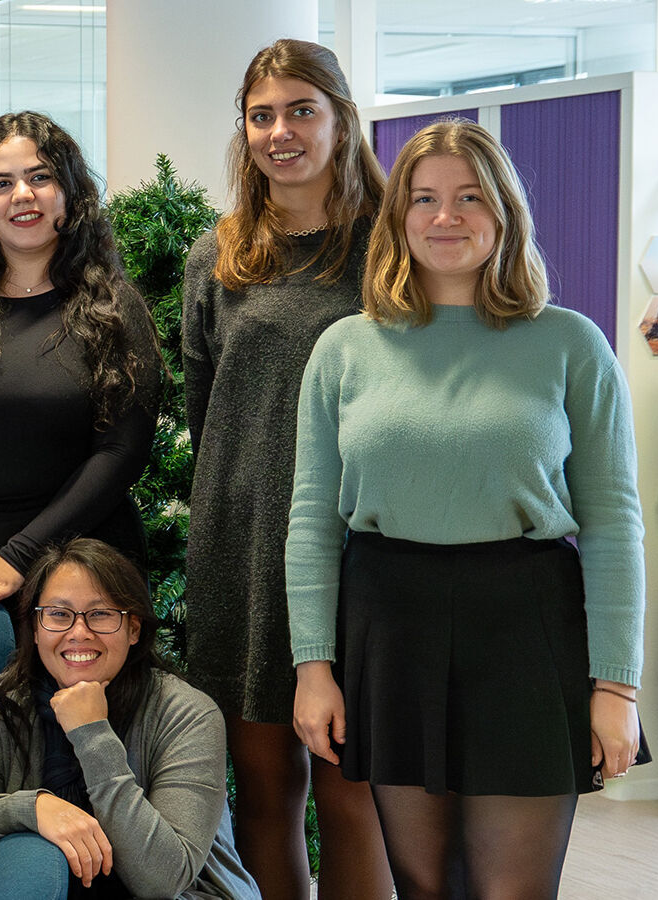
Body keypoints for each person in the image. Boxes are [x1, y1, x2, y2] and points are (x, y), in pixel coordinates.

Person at [287, 119, 648, 898]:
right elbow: (313, 520)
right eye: (424, 198)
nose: (444, 217)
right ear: (399, 217)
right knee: (423, 886)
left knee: (512, 891)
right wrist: (313, 667)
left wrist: (617, 688)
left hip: (526, 624)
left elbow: (616, 523)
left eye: (468, 197)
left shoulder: (569, 344)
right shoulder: (345, 348)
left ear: (505, 212)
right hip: (389, 625)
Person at [175, 39, 391, 900]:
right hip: (240, 544)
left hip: (356, 550)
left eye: (302, 109)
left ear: (340, 119)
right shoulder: (217, 255)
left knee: (353, 795)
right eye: (261, 115)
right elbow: (206, 412)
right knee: (264, 792)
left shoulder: (391, 247)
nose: (280, 131)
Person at [0, 112, 159, 723]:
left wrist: (19, 557)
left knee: (78, 766)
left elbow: (122, 451)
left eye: (39, 178)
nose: (22, 196)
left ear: (68, 192)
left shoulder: (113, 311)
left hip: (77, 582)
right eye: (1, 182)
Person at [0, 540, 256, 900]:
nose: (79, 633)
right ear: (36, 627)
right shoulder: (2, 701)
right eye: (58, 614)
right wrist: (33, 808)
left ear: (133, 628)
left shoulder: (188, 714)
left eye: (101, 614)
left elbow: (163, 880)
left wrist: (91, 735)